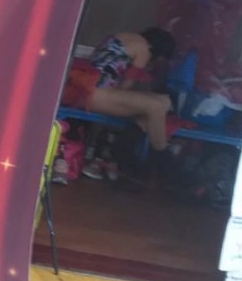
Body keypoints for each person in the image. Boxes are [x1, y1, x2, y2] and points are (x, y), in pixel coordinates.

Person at [63, 27, 176, 175]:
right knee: (155, 106)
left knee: (162, 102)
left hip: (87, 89)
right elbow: (126, 85)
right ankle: (163, 159)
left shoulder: (121, 36)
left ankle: (128, 149)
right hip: (95, 93)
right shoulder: (144, 50)